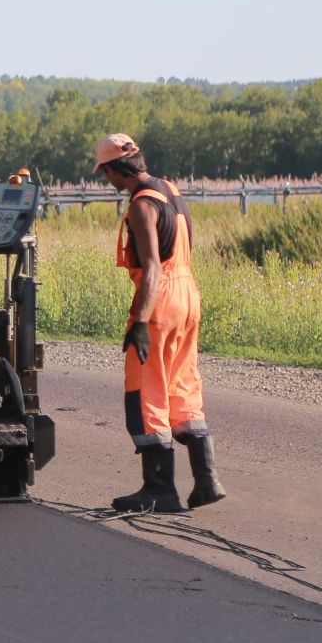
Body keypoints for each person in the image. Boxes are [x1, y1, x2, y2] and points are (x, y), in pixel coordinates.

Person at [94, 134, 226, 513]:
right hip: (188, 294)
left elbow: (152, 268)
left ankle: (159, 490)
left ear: (113, 170)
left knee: (147, 391)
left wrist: (140, 320)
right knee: (182, 385)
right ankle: (206, 479)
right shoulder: (169, 189)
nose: (109, 182)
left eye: (106, 174)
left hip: (161, 298)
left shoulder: (140, 205)